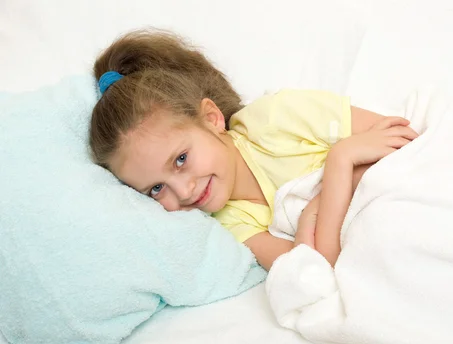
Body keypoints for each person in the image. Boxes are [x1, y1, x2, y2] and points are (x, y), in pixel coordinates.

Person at [90, 29, 418, 270]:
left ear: (211, 118)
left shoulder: (275, 119)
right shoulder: (228, 223)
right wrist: (341, 161)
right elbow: (318, 267)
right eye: (156, 188)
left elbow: (401, 143)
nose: (184, 191)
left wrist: (318, 212)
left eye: (180, 159)